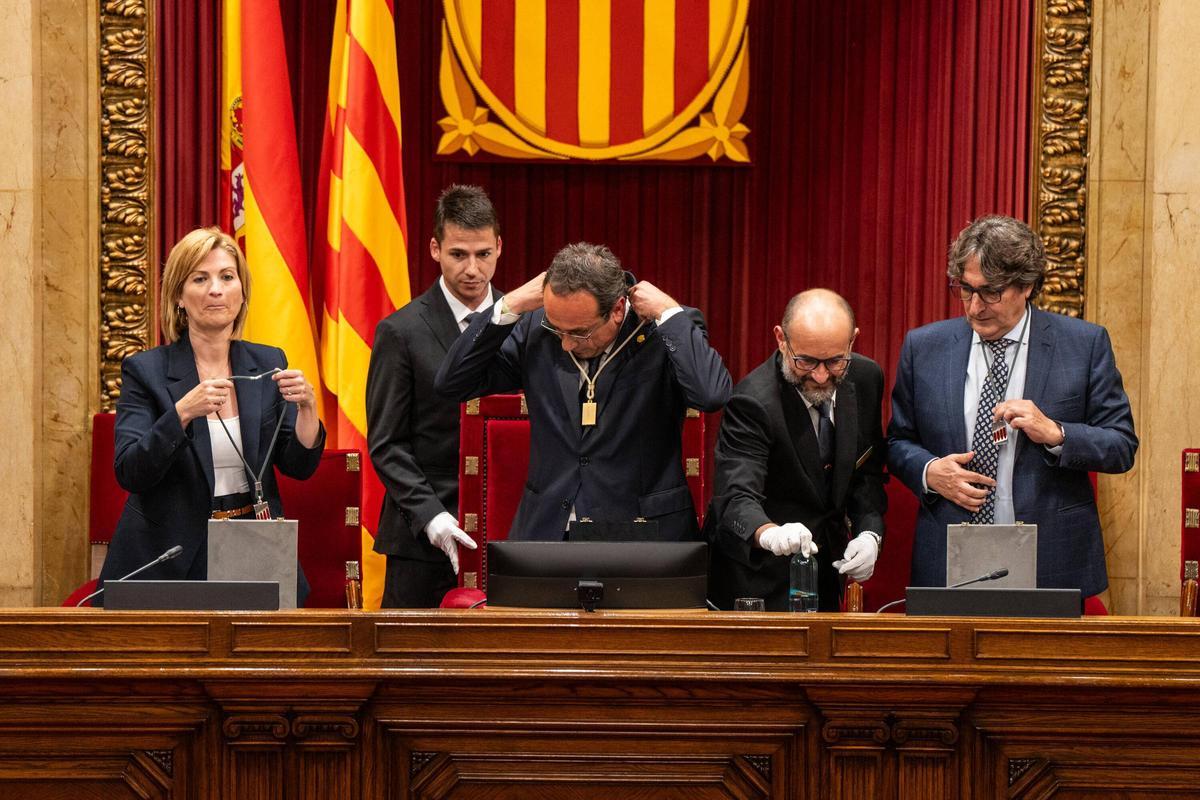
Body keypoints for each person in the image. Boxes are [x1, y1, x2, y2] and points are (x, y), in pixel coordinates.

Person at [888, 215, 1137, 599]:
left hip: (1052, 557)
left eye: (990, 292)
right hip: (950, 554)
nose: (974, 307)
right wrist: (929, 471)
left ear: (1027, 286)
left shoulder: (1083, 345)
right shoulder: (925, 348)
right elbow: (897, 441)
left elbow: (1121, 446)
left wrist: (1057, 433)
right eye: (965, 289)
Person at [435, 242, 731, 541]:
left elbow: (710, 395)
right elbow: (453, 383)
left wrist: (669, 313)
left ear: (616, 309)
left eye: (579, 333)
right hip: (547, 532)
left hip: (643, 536)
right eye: (557, 329)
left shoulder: (664, 329)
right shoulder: (536, 327)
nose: (565, 343)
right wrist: (509, 306)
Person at [99, 227, 325, 602]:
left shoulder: (268, 362)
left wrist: (308, 410)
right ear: (179, 297)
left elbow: (297, 466)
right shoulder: (146, 371)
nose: (216, 290)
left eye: (226, 277)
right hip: (169, 555)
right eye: (200, 279)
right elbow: (131, 470)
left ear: (242, 291)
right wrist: (182, 413)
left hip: (253, 548)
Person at [705, 290, 887, 611]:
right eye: (805, 361)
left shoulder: (866, 378)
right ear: (780, 339)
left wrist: (869, 534)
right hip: (758, 581)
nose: (820, 375)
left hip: (827, 572)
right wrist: (770, 533)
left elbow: (866, 474)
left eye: (834, 361)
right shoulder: (753, 401)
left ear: (852, 342)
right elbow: (736, 496)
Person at [367, 184, 503, 607]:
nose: (472, 269)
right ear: (434, 249)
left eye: (483, 254)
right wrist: (432, 517)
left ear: (499, 247)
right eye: (458, 254)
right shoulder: (400, 331)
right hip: (420, 539)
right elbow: (387, 443)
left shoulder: (524, 323)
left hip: (505, 533)